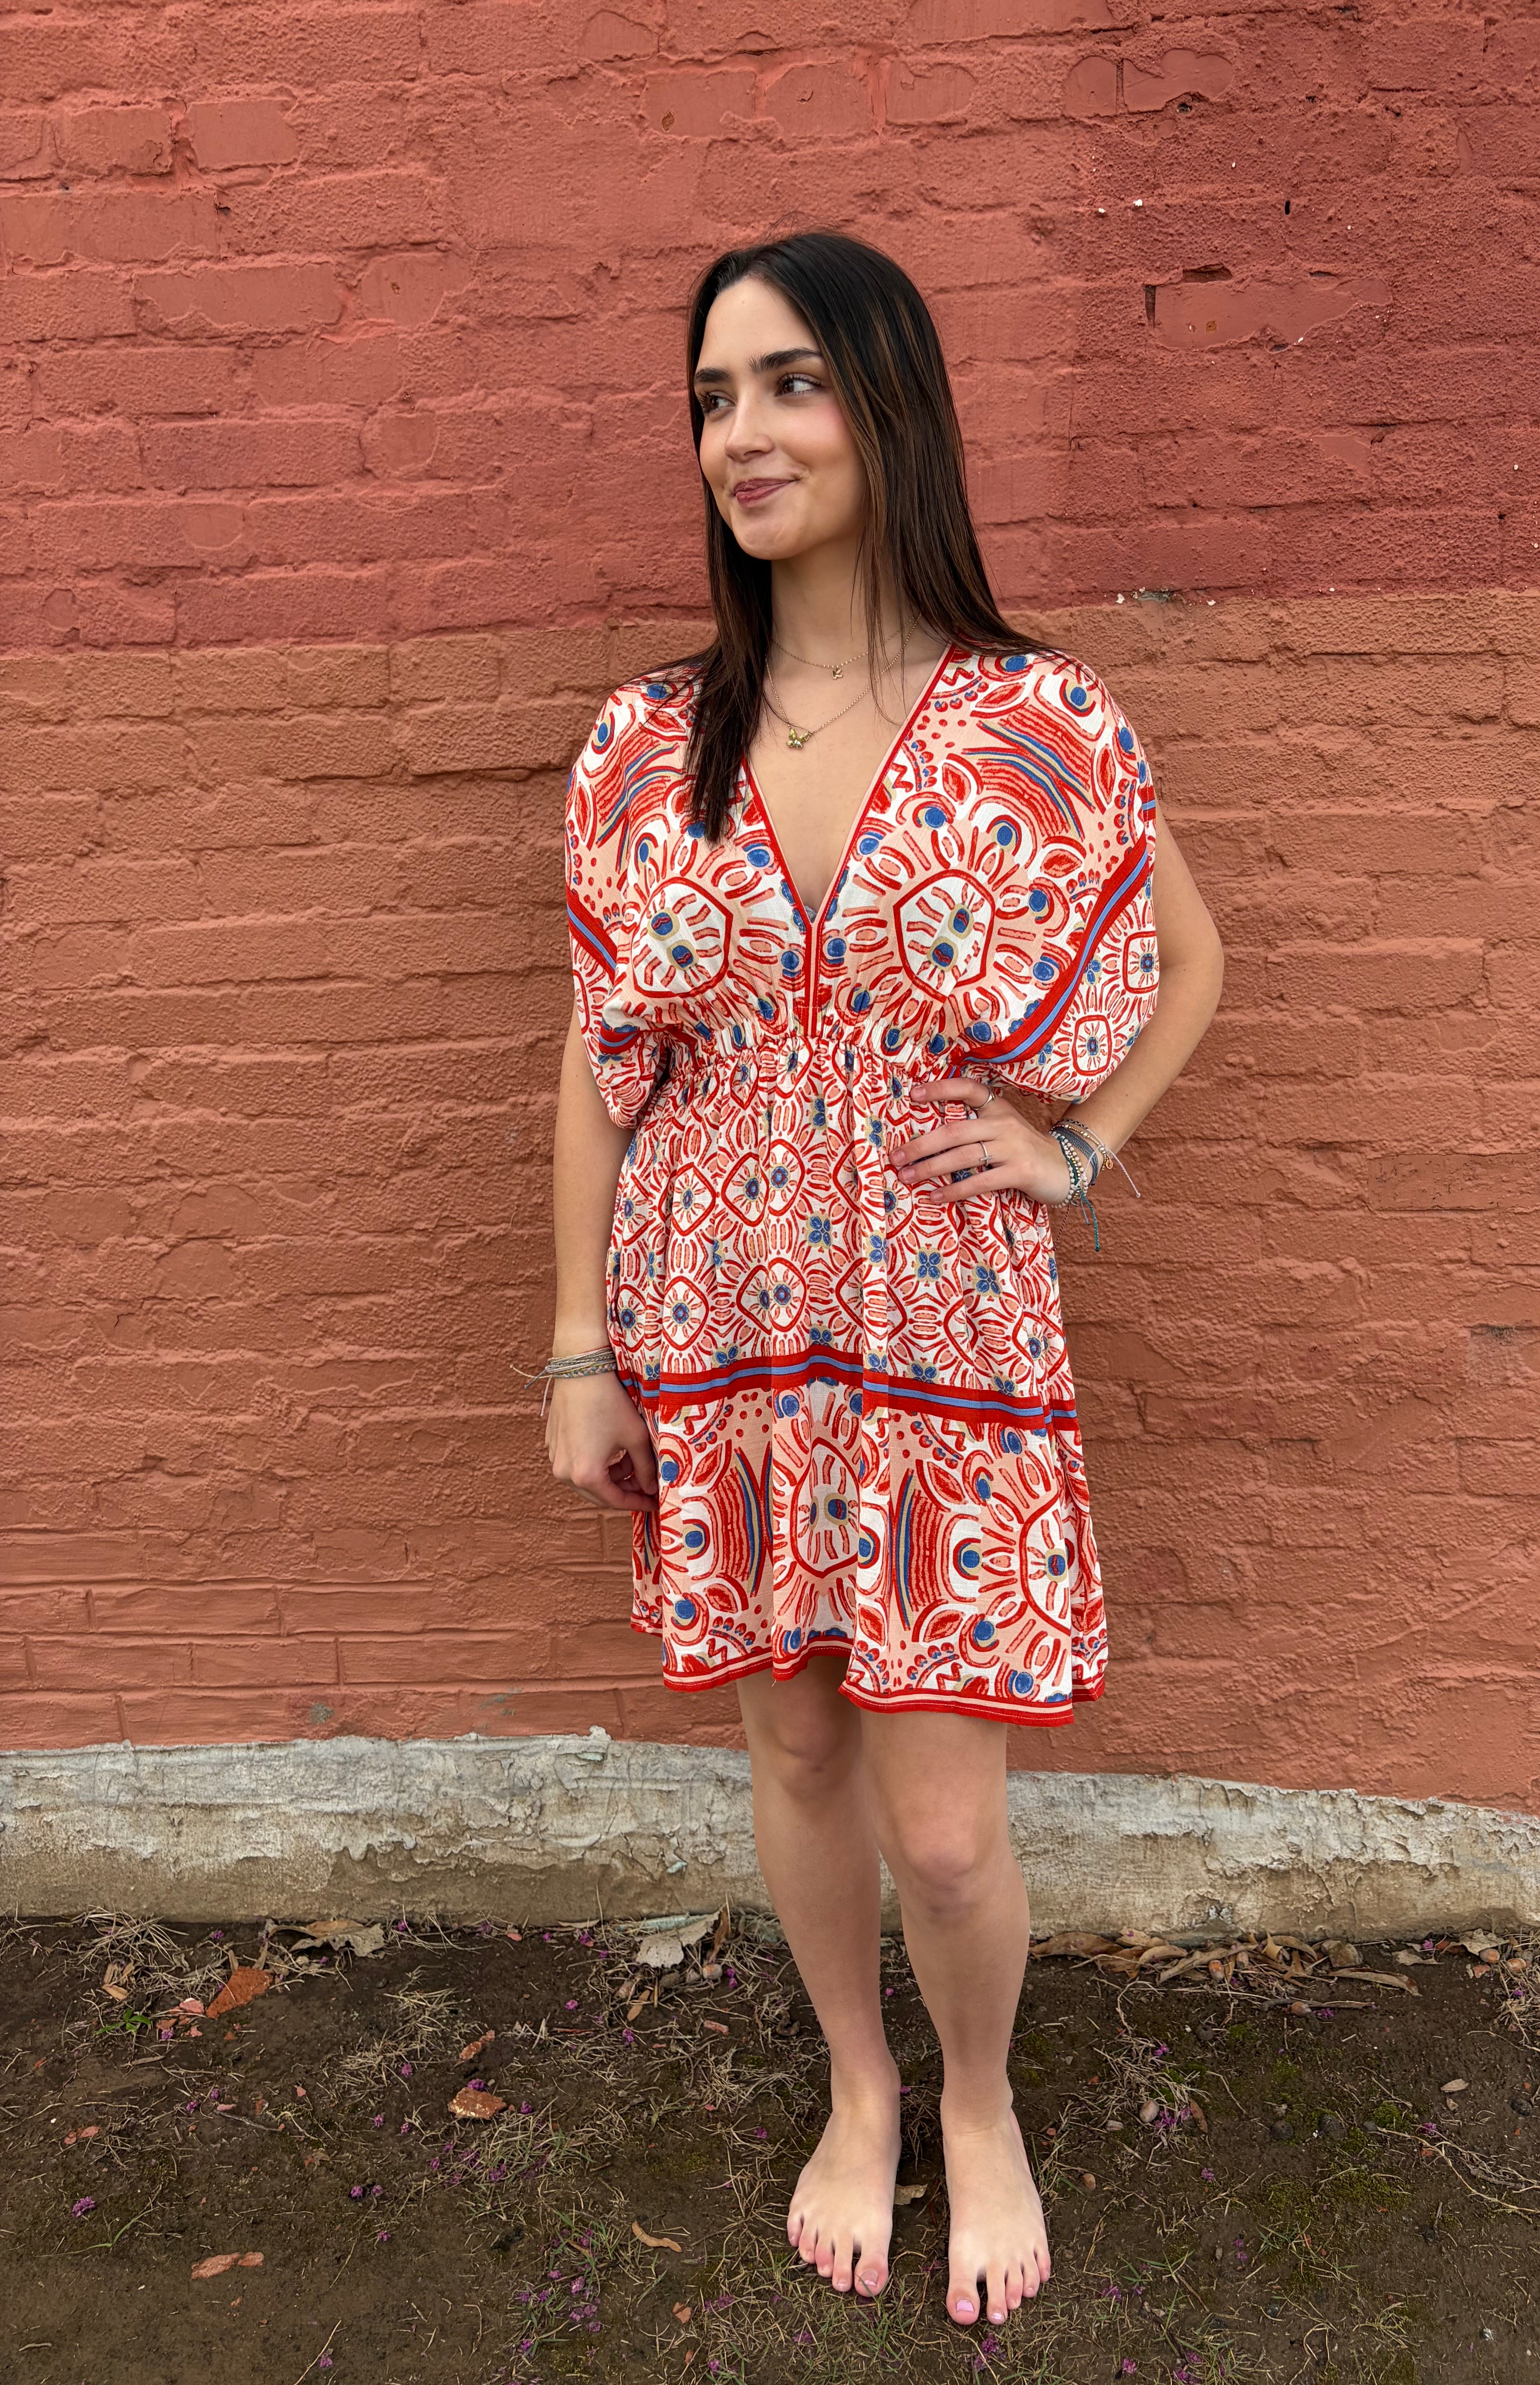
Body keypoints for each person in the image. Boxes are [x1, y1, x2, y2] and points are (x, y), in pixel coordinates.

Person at [538, 230, 1224, 2332]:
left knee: (946, 1825)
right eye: (714, 397)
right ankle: (858, 2088)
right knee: (801, 1758)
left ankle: (986, 2101)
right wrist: (579, 1346)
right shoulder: (651, 745)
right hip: (721, 1327)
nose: (745, 433)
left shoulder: (1034, 720)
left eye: (791, 383)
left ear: (892, 403)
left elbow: (1186, 965)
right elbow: (596, 1060)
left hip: (946, 1325)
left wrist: (1078, 1144)